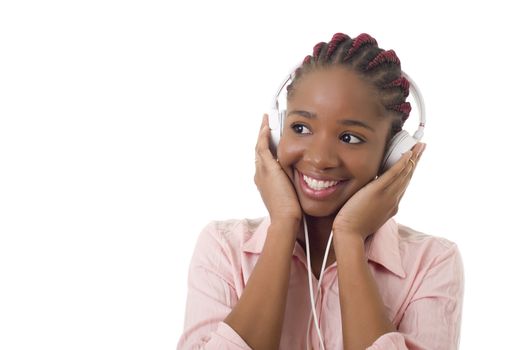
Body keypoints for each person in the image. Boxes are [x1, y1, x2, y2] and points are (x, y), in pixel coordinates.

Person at [176, 32, 464, 350]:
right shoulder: (223, 249)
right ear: (275, 133)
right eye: (301, 128)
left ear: (393, 155)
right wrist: (283, 224)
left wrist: (350, 239)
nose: (319, 158)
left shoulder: (432, 263)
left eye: (350, 137)